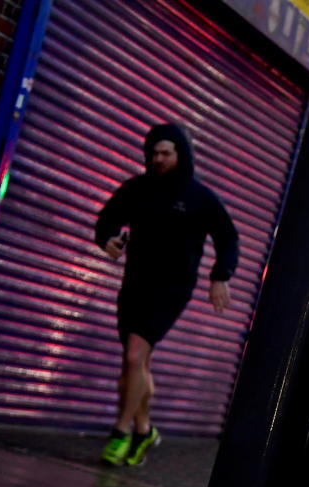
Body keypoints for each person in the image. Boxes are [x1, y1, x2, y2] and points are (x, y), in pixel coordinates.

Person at [94, 124, 238, 466]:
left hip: (172, 289)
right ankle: (144, 430)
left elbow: (227, 238)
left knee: (133, 357)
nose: (158, 159)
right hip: (135, 283)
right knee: (137, 363)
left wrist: (220, 277)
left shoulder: (199, 197)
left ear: (181, 155)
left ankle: (120, 432)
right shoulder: (137, 189)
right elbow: (107, 219)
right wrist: (108, 239)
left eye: (166, 153)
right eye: (154, 153)